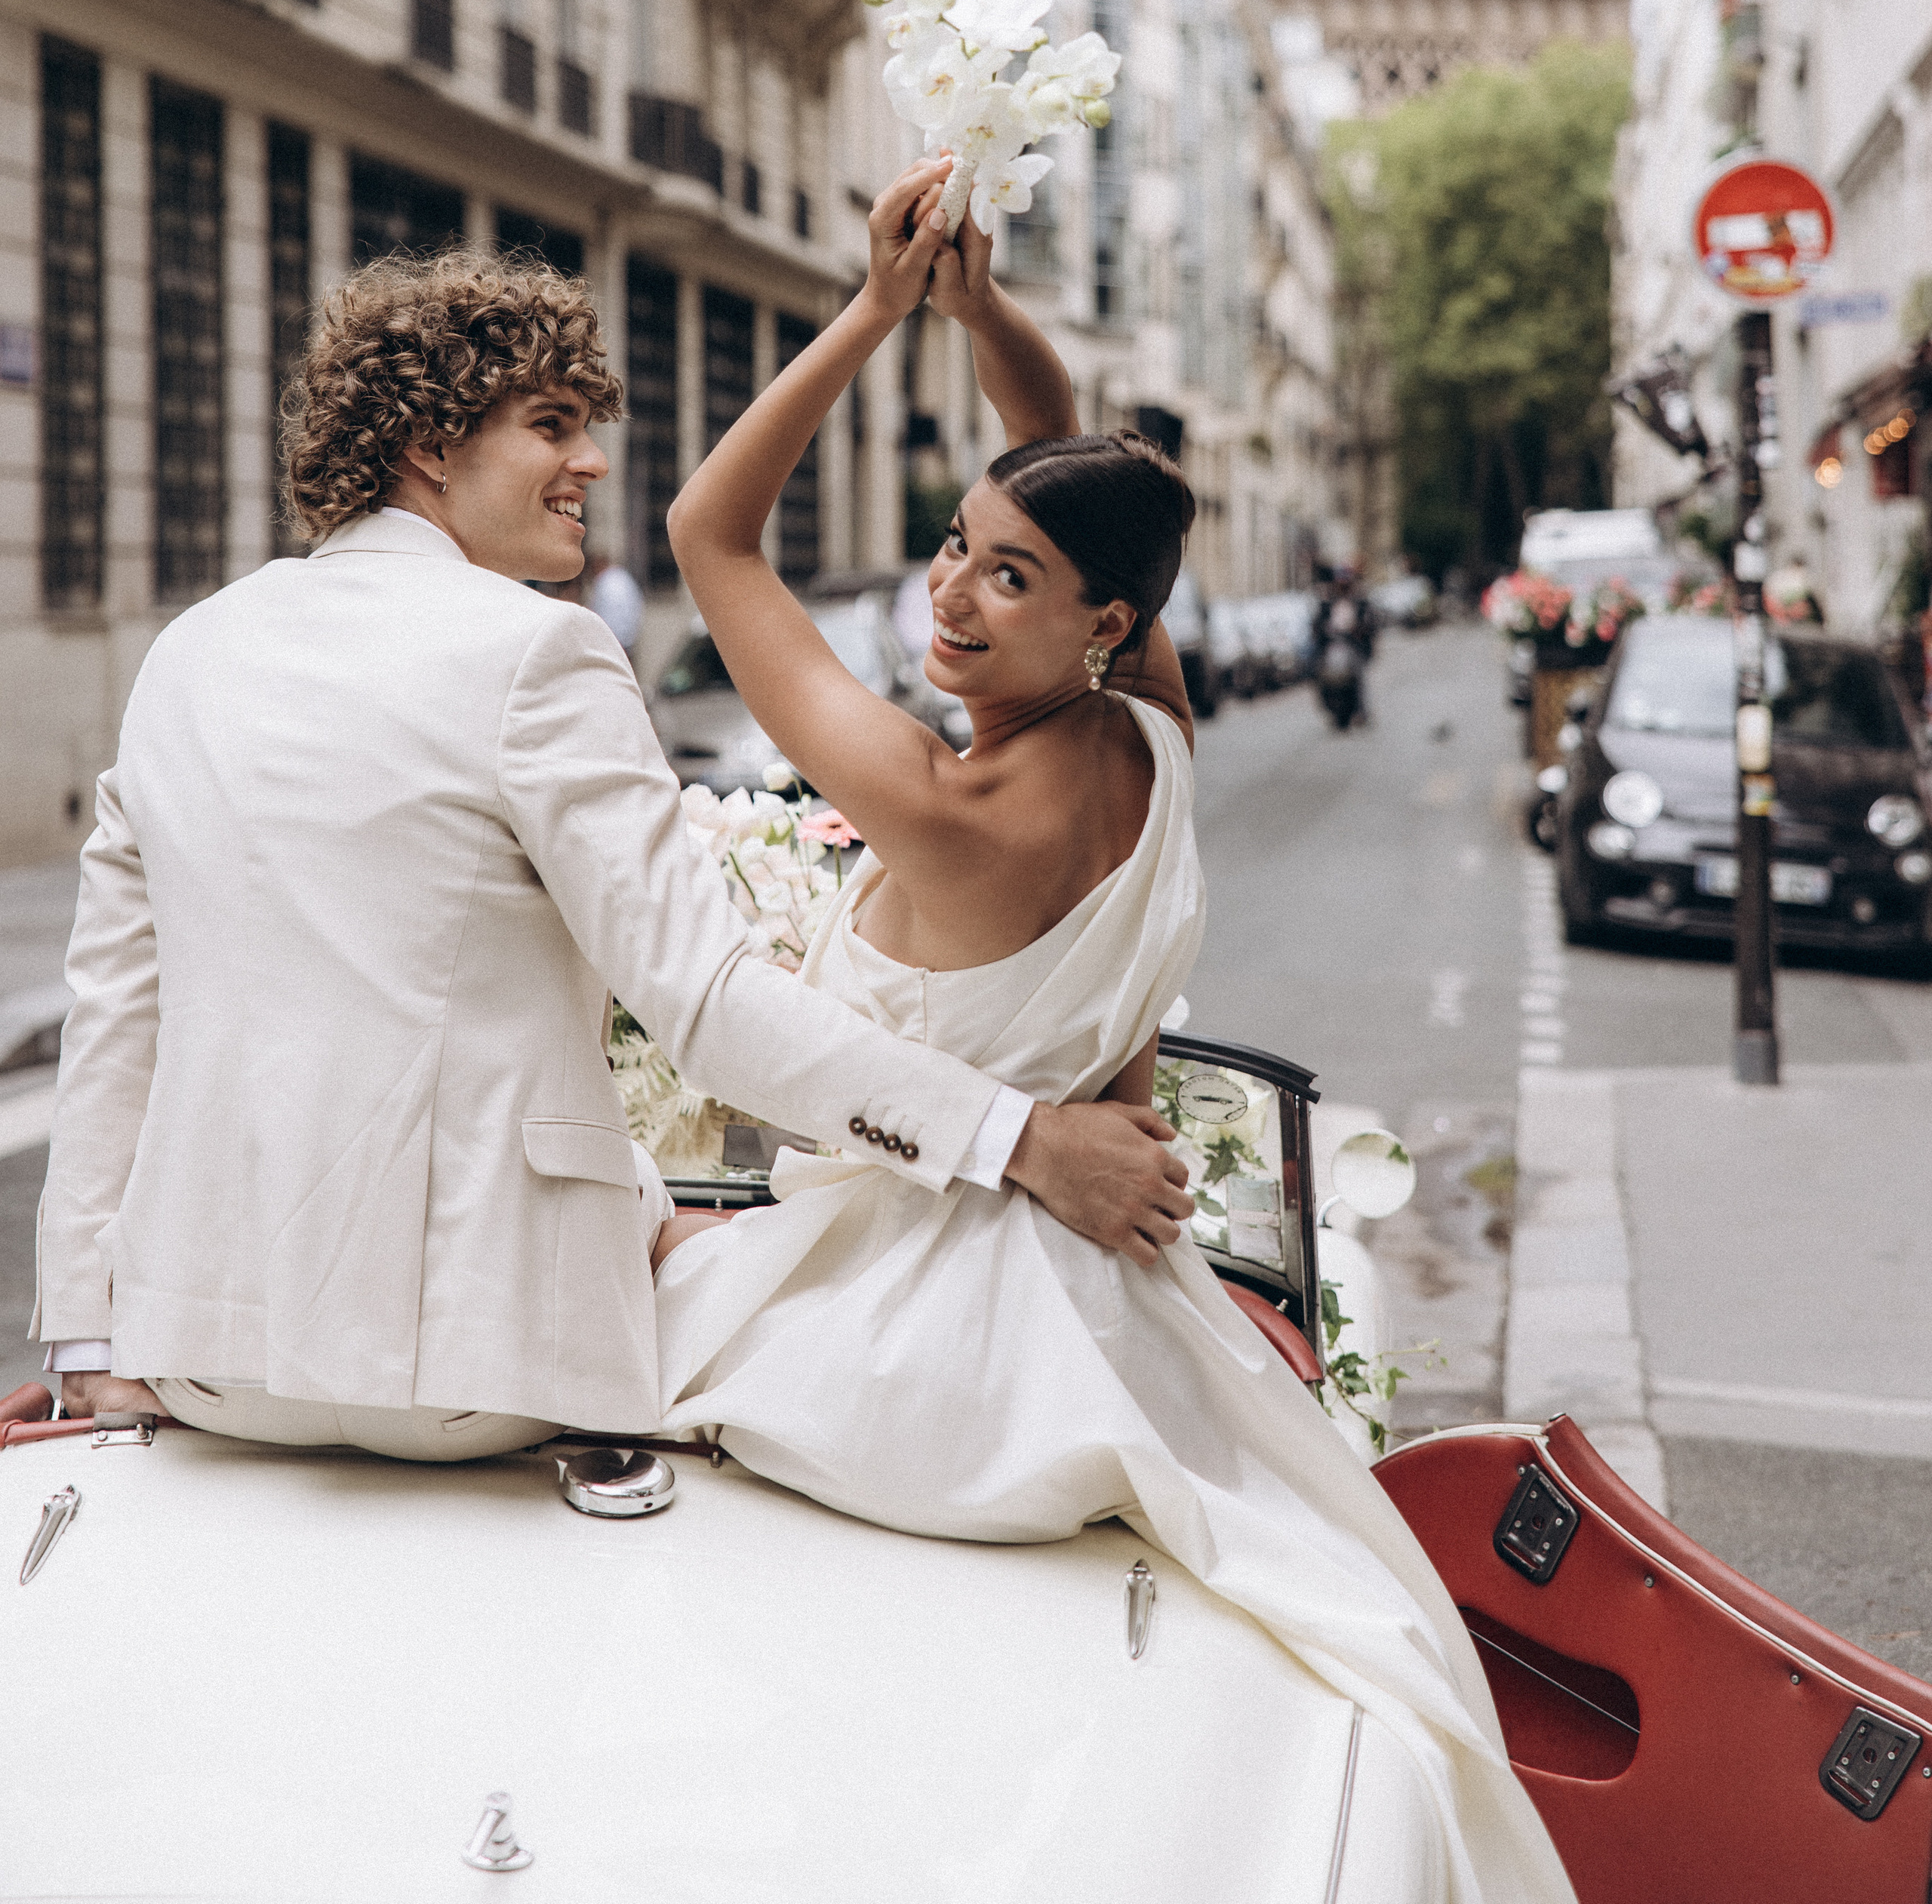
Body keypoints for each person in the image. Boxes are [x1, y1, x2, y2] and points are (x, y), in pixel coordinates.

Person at [654, 162, 1574, 1904]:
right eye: (950, 550)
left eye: (1007, 578)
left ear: (1101, 620)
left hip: (916, 1334)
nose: (951, 595)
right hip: (1120, 1309)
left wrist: (870, 313)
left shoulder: (937, 798)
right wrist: (984, 316)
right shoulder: (1149, 735)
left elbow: (710, 535)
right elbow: (1070, 465)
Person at [32, 249, 1195, 1455]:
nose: (592, 461)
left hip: (206, 1366)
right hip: (472, 1375)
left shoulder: (191, 651)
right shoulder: (539, 653)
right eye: (553, 426)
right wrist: (1026, 1140)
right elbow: (712, 1009)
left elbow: (118, 1008)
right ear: (431, 447)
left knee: (674, 1218)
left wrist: (87, 1347)